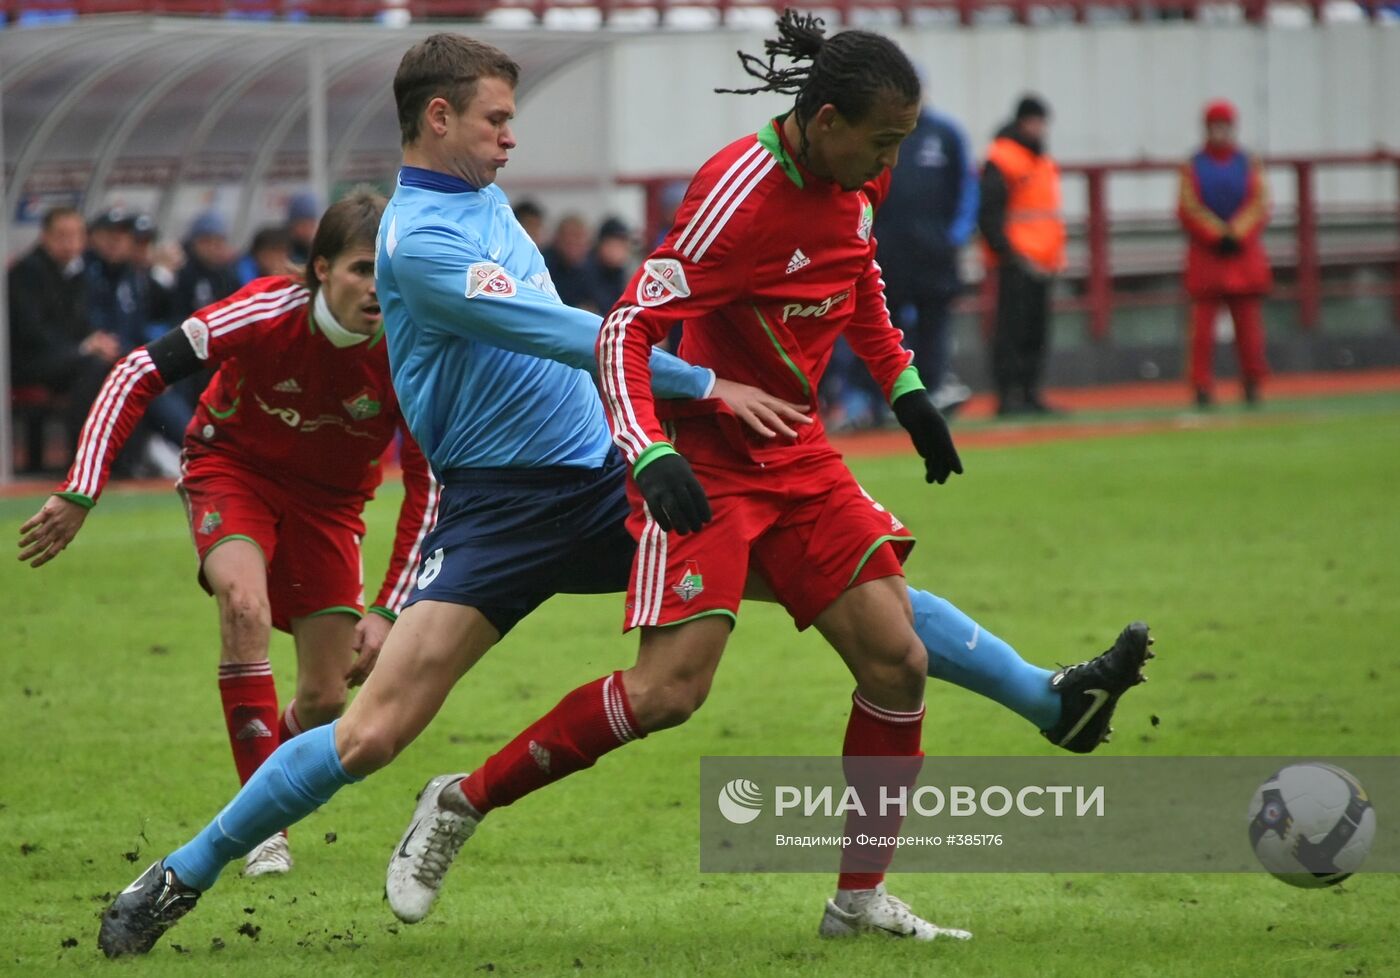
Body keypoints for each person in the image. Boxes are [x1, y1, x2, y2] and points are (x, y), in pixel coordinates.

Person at [94, 31, 1150, 958]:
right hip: (500, 514)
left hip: (601, 477)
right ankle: (180, 874)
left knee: (841, 587)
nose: (511, 139)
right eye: (497, 120)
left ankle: (1046, 700)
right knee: (372, 734)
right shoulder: (418, 245)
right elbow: (567, 330)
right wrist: (701, 383)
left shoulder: (478, 196)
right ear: (438, 117)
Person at [20, 191, 437, 878]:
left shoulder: (412, 349)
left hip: (332, 508)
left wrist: (389, 607)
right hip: (231, 468)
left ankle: (254, 803)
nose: (377, 288)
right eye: (363, 269)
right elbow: (137, 371)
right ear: (321, 269)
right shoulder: (265, 310)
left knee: (329, 698)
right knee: (242, 606)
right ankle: (261, 831)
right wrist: (81, 488)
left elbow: (428, 485)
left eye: (389, 272)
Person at [874, 101, 978, 413]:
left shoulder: (945, 133)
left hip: (934, 252)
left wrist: (955, 236)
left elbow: (967, 186)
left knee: (936, 322)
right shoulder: (877, 132)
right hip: (888, 251)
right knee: (885, 323)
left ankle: (935, 387)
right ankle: (887, 397)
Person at [1177, 99, 1272, 407]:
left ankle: (1252, 380)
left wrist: (1237, 233)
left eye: (1224, 126)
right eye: (1214, 126)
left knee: (1248, 327)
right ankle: (1202, 385)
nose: (1219, 132)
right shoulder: (1193, 165)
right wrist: (1216, 234)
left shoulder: (1248, 163)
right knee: (1202, 329)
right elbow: (1187, 206)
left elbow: (1259, 203)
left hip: (1242, 256)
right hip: (1208, 256)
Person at [978, 95, 1066, 417]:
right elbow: (989, 213)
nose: (1039, 128)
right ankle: (1008, 396)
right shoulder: (1003, 158)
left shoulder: (1041, 160)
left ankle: (1031, 392)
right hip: (1016, 262)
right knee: (1011, 332)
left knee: (1036, 333)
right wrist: (1007, 253)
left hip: (1043, 262)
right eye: (1034, 121)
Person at [7, 206, 117, 462]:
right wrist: (82, 348)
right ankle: (81, 456)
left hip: (66, 358)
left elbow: (83, 323)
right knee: (92, 367)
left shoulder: (78, 273)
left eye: (76, 234)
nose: (70, 242)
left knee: (118, 363)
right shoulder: (26, 272)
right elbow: (32, 332)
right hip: (28, 363)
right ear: (45, 236)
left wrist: (96, 341)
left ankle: (118, 457)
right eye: (62, 235)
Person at [171, 210, 238, 322]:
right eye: (206, 241)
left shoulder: (227, 275)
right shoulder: (181, 271)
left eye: (218, 242)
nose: (212, 248)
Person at [543, 213, 601, 311]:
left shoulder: (596, 270)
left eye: (579, 237)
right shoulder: (543, 266)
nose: (573, 242)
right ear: (557, 239)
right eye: (569, 236)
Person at [588, 216, 632, 311]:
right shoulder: (586, 275)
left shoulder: (626, 276)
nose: (616, 251)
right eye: (611, 245)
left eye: (620, 246)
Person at [285, 191, 320, 267]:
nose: (307, 230)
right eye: (303, 225)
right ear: (292, 226)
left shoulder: (319, 251)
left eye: (311, 224)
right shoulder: (284, 252)